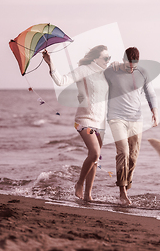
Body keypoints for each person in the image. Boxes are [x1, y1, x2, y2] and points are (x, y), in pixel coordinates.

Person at [42, 45, 110, 201]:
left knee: (95, 158)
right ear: (96, 59)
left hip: (99, 121)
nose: (108, 61)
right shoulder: (84, 70)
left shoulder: (105, 74)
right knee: (94, 153)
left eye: (109, 58)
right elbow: (61, 81)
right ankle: (79, 184)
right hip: (84, 119)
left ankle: (87, 195)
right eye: (106, 58)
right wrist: (50, 63)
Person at [104, 47, 159, 205]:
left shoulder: (143, 73)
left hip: (136, 120)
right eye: (128, 65)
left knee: (133, 157)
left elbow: (151, 94)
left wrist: (154, 112)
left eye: (134, 65)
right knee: (124, 152)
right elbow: (95, 81)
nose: (131, 68)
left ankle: (126, 188)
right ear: (123, 60)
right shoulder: (111, 71)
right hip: (116, 118)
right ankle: (122, 192)